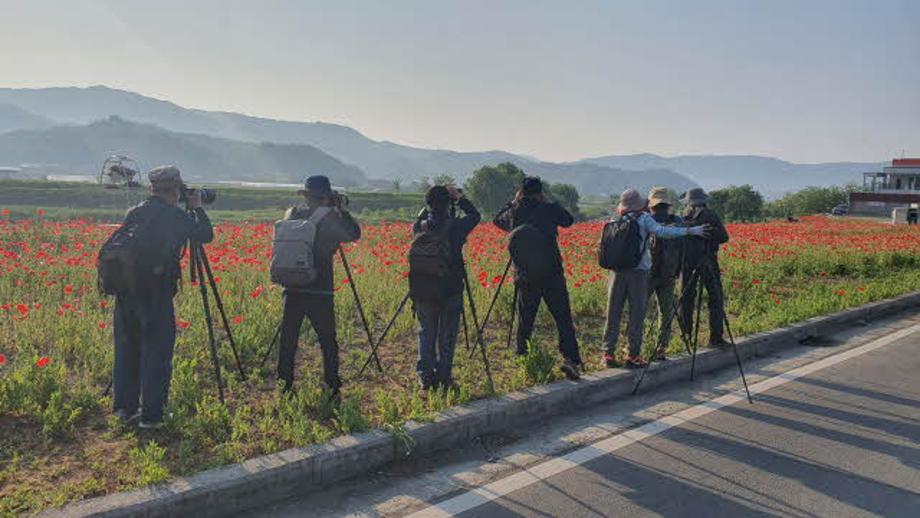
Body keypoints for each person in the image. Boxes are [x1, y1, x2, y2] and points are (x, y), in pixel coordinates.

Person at [113, 165, 214, 429]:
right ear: (177, 189)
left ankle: (125, 409)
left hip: (126, 293)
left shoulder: (134, 212)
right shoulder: (174, 217)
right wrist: (197, 207)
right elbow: (205, 234)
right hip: (155, 296)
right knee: (156, 354)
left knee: (127, 350)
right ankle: (153, 417)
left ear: (153, 189)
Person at [602, 189, 706, 369]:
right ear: (639, 204)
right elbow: (662, 232)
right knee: (637, 313)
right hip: (638, 273)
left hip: (615, 272)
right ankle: (633, 355)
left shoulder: (614, 220)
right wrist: (690, 230)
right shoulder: (643, 219)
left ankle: (608, 354)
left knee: (613, 312)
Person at [277, 175, 361, 397]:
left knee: (288, 340)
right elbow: (354, 234)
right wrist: (341, 211)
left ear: (306, 195)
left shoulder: (292, 214)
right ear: (327, 196)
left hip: (292, 286)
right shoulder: (329, 219)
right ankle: (331, 385)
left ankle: (284, 385)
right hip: (319, 288)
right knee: (327, 341)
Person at [494, 176, 583, 380]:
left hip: (525, 275)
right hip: (551, 273)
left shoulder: (515, 211)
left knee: (526, 319)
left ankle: (523, 357)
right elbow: (568, 220)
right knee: (563, 318)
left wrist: (513, 202)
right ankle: (570, 359)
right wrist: (549, 202)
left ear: (521, 192)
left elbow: (497, 219)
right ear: (540, 192)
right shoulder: (549, 208)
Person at [411, 185, 481, 391]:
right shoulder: (457, 227)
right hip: (450, 288)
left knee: (426, 333)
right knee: (447, 335)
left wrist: (429, 208)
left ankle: (425, 376)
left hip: (423, 288)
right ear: (449, 203)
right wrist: (459, 198)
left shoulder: (419, 227)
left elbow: (419, 219)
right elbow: (475, 215)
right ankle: (444, 377)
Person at [679, 187, 730, 348]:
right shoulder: (710, 215)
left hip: (687, 262)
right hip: (708, 261)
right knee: (715, 298)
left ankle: (685, 335)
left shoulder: (683, 218)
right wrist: (709, 233)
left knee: (686, 298)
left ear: (689, 202)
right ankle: (716, 337)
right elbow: (724, 237)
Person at [645, 187, 685, 361]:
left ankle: (635, 348)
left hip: (648, 273)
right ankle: (661, 347)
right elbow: (683, 247)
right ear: (667, 204)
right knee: (666, 311)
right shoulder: (677, 221)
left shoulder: (647, 220)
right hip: (669, 273)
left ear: (652, 204)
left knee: (639, 310)